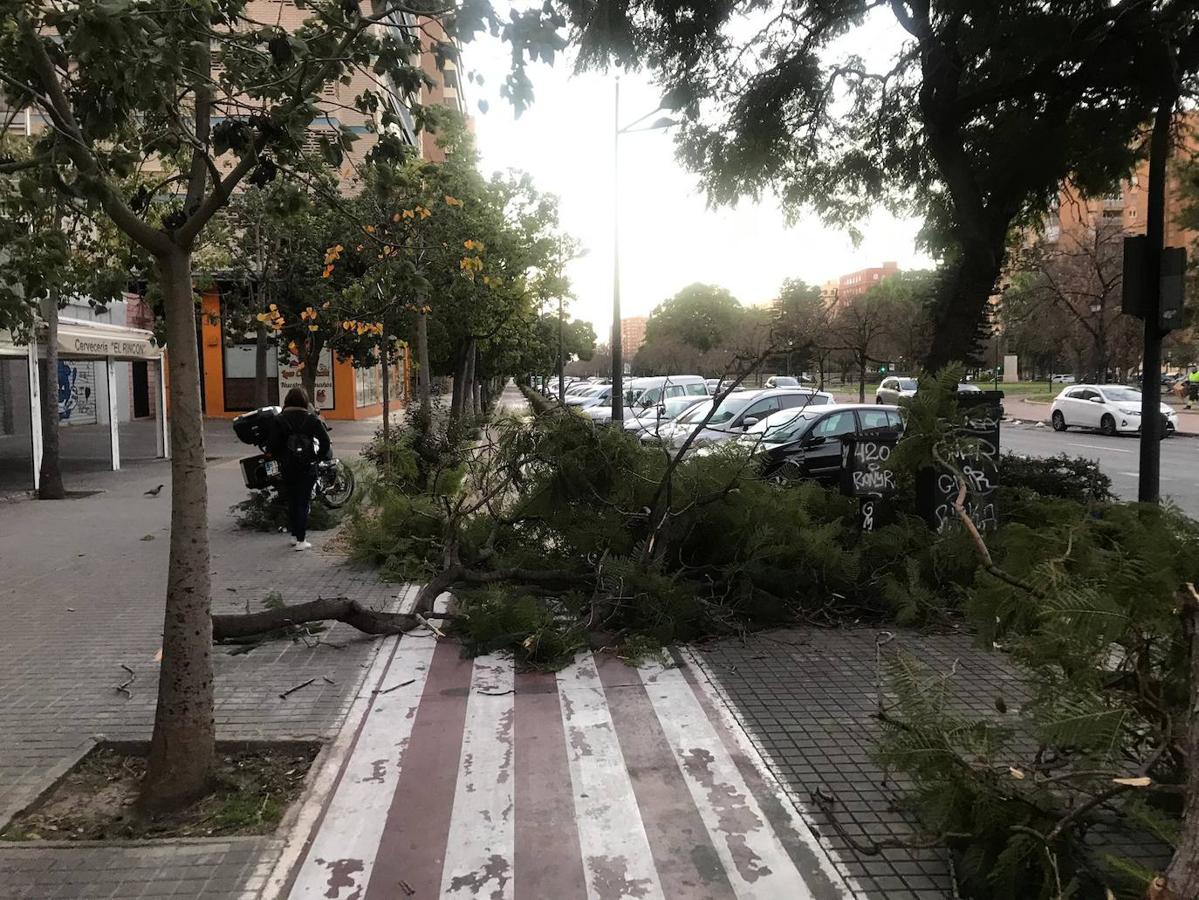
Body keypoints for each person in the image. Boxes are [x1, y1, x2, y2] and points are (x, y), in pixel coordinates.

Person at [269, 387, 331, 551]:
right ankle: (301, 540)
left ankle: (294, 535)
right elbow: (325, 441)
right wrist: (317, 458)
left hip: (287, 466)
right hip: (307, 465)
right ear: (305, 401)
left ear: (287, 401)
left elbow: (272, 445)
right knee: (303, 501)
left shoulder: (279, 419)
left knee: (292, 500)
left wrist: (280, 457)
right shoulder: (311, 419)